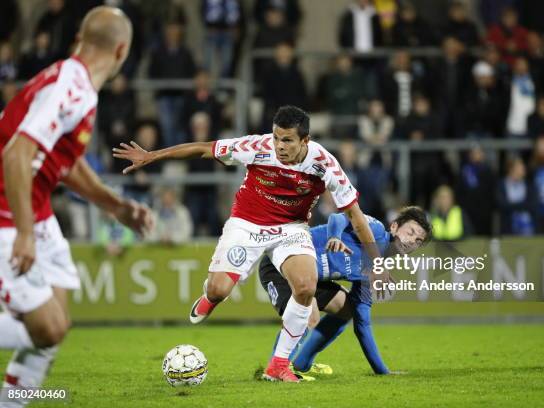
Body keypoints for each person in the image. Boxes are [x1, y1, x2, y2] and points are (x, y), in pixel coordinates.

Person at [113, 105, 384, 383]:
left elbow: (356, 217)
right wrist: (152, 156)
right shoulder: (257, 146)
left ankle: (278, 364)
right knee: (220, 290)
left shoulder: (324, 164)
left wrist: (376, 264)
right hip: (247, 224)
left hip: (291, 228)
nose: (279, 145)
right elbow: (205, 148)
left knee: (306, 286)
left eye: (287, 140)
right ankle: (211, 296)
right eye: (277, 137)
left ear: (305, 140)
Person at [0, 7, 152, 405]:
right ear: (122, 51)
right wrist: (25, 233)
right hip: (8, 210)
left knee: (57, 324)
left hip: (35, 208)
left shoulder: (76, 84)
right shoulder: (72, 86)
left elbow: (65, 163)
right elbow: (17, 153)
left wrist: (116, 206)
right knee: (46, 329)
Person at [259, 206, 432, 377]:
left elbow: (362, 324)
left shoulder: (375, 271)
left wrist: (382, 371)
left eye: (418, 241)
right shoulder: (375, 231)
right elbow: (338, 217)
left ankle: (302, 364)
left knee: (346, 308)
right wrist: (334, 236)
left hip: (311, 279)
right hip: (281, 263)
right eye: (410, 232)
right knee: (309, 315)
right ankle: (275, 370)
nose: (411, 241)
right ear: (394, 226)